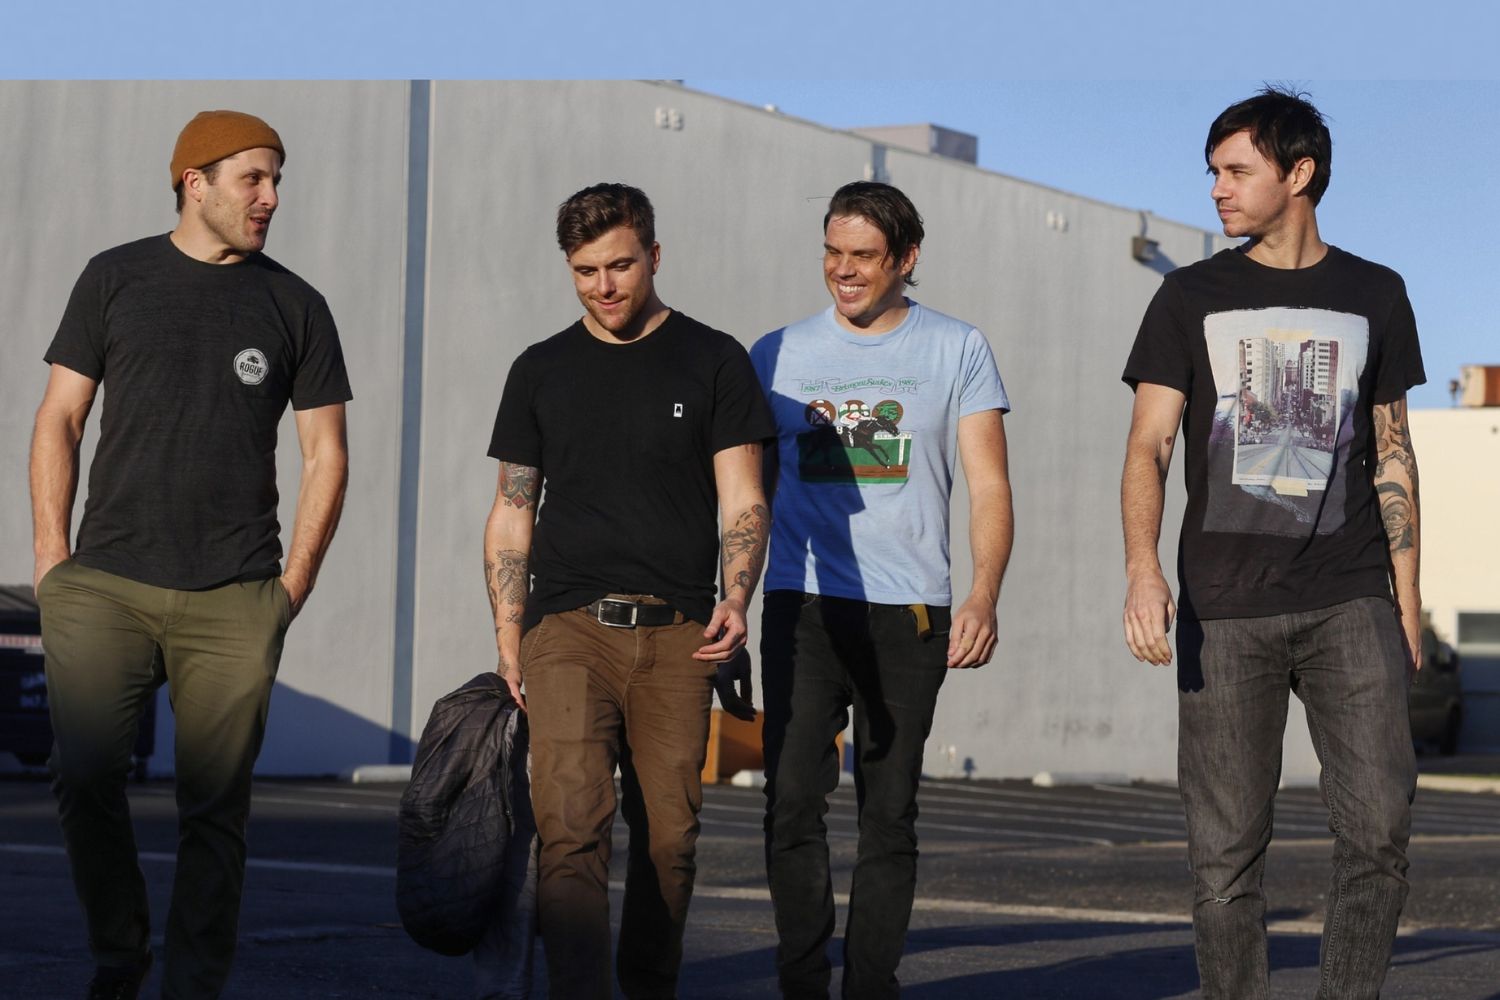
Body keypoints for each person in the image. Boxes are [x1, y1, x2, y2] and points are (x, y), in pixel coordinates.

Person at [30, 110, 351, 999]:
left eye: (277, 180)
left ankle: (194, 983)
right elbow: (60, 417)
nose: (271, 197)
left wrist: (290, 588)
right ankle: (119, 948)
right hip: (105, 582)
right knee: (84, 774)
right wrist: (52, 557)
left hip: (236, 592)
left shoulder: (296, 305)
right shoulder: (114, 277)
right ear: (195, 182)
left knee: (216, 808)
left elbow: (326, 454)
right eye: (254, 178)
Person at [1121, 87, 1424, 1000]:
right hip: (1225, 607)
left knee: (1379, 829)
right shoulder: (1190, 295)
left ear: (1299, 173)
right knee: (1222, 858)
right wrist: (1142, 571)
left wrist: (1407, 603)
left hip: (1350, 595)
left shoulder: (1375, 293)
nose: (1217, 188)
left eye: (1236, 170)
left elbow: (1393, 454)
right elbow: (1149, 445)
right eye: (1212, 171)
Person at [482, 182, 774, 999]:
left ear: (654, 255)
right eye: (585, 271)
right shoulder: (539, 369)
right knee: (571, 829)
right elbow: (512, 511)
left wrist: (736, 596)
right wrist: (509, 636)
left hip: (682, 632)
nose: (604, 287)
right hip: (568, 627)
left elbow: (744, 499)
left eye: (620, 266)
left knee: (670, 843)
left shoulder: (714, 360)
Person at [751, 180, 1014, 999]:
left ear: (906, 258)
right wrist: (727, 597)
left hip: (910, 611)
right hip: (800, 603)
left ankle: (871, 986)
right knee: (791, 801)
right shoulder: (775, 353)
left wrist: (982, 594)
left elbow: (989, 486)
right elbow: (744, 495)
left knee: (888, 812)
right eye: (833, 252)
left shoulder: (957, 349)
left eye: (863, 255)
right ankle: (802, 982)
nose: (844, 270)